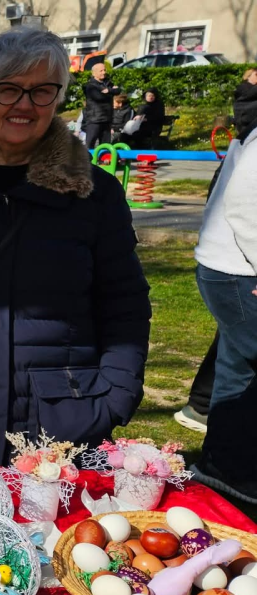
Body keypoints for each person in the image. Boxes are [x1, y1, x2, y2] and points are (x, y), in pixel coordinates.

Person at [0, 29, 151, 464]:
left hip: (62, 425)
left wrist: (116, 395)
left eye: (42, 91)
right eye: (8, 89)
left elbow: (124, 303)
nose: (24, 104)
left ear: (58, 100)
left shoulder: (94, 196)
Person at [190, 80, 257, 502]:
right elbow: (242, 202)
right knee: (241, 366)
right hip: (238, 269)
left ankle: (223, 466)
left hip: (229, 265)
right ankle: (228, 464)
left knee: (238, 368)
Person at [83, 62, 121, 149]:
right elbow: (99, 97)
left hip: (107, 118)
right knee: (91, 142)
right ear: (94, 73)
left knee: (105, 143)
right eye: (101, 71)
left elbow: (118, 90)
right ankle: (88, 160)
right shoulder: (90, 86)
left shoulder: (107, 83)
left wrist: (108, 91)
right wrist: (111, 91)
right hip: (95, 118)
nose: (104, 72)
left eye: (104, 70)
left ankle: (105, 160)